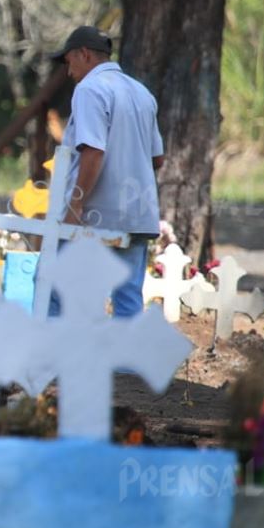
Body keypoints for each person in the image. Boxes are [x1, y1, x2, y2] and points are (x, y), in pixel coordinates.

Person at [52, 25, 164, 317]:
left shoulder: (89, 89)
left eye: (69, 62)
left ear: (84, 54)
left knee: (55, 289)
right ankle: (125, 364)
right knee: (127, 299)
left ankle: (54, 360)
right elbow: (157, 159)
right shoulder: (141, 93)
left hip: (95, 216)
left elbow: (93, 151)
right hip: (138, 213)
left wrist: (75, 204)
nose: (69, 72)